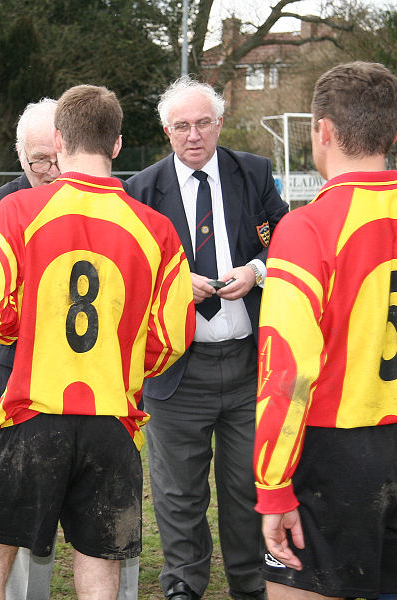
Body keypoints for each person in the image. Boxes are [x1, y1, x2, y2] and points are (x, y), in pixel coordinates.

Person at [253, 61, 397, 600]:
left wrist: (273, 487)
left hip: (330, 449)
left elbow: (287, 369)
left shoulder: (306, 227)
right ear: (395, 134)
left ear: (323, 131)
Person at [0, 84, 195, 600]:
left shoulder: (17, 211)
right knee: (99, 570)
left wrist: (34, 337)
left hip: (32, 412)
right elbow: (172, 337)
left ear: (61, 140)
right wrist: (125, 362)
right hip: (112, 419)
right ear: (117, 145)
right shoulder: (157, 229)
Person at [125, 76, 288, 600]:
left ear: (219, 124)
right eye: (181, 126)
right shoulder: (140, 190)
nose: (192, 135)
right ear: (165, 131)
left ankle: (250, 584)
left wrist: (258, 270)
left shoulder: (255, 173)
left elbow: (288, 239)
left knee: (246, 488)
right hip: (176, 368)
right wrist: (172, 285)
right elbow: (128, 272)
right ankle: (183, 585)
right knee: (178, 494)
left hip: (247, 366)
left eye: (202, 123)